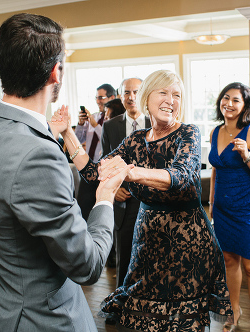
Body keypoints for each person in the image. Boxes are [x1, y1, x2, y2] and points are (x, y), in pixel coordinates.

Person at [0, 13, 127, 332]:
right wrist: (105, 197)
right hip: (42, 321)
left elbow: (13, 183)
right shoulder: (39, 155)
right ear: (56, 72)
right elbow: (88, 265)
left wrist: (55, 134)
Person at [68, 69, 234, 332]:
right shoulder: (135, 140)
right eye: (164, 92)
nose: (171, 100)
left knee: (181, 324)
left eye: (177, 94)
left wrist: (130, 172)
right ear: (147, 98)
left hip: (187, 246)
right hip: (146, 244)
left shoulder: (188, 133)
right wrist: (67, 133)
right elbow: (93, 172)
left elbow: (182, 175)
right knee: (141, 319)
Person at [208, 82, 250, 331]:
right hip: (223, 210)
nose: (229, 104)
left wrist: (247, 155)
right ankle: (234, 310)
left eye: (236, 100)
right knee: (228, 260)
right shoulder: (216, 132)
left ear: (245, 105)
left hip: (249, 210)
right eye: (226, 98)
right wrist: (213, 204)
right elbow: (216, 170)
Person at [100, 77, 149, 326]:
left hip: (152, 203)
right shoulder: (110, 127)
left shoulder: (155, 123)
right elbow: (104, 164)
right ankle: (119, 305)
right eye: (126, 92)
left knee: (153, 255)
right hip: (124, 203)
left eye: (136, 92)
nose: (131, 97)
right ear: (120, 95)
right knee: (124, 257)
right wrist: (115, 187)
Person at [75, 83, 116, 220]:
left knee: (102, 211)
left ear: (112, 97)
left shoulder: (115, 119)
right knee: (83, 208)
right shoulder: (93, 117)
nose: (98, 101)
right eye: (96, 98)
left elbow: (108, 137)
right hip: (88, 169)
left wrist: (95, 125)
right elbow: (79, 140)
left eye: (101, 97)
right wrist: (81, 124)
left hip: (105, 172)